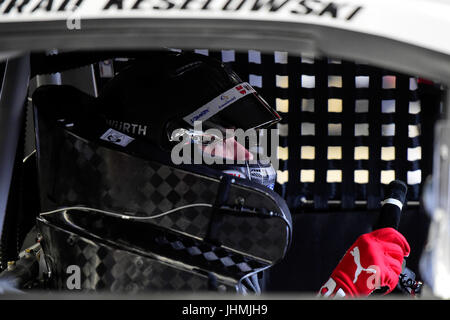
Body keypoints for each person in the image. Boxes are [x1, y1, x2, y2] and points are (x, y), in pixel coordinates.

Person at [94, 50, 410, 297]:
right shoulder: (151, 266)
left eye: (241, 136)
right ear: (162, 152)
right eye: (217, 136)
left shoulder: (197, 254)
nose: (247, 152)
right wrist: (345, 288)